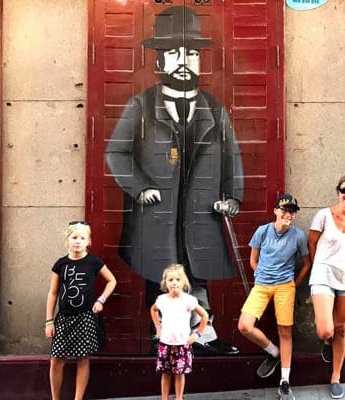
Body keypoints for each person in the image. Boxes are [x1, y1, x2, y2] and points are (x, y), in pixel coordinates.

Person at [105, 5, 243, 355]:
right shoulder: (140, 106)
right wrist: (140, 188)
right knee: (162, 273)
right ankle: (160, 337)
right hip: (157, 213)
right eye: (174, 52)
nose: (184, 60)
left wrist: (232, 198)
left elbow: (231, 159)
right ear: (158, 62)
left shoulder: (215, 110)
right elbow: (116, 153)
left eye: (192, 53)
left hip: (200, 210)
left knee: (196, 274)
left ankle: (204, 337)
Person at [237, 194, 311, 400]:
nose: (288, 214)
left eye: (292, 211)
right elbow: (253, 259)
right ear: (276, 211)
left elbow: (306, 263)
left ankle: (285, 382)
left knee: (284, 330)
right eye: (285, 209)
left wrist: (294, 284)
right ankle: (274, 352)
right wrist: (259, 274)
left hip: (285, 286)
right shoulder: (262, 231)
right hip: (261, 285)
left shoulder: (298, 236)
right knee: (244, 326)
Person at [45, 221, 117, 400]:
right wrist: (49, 321)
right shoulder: (60, 265)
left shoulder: (93, 262)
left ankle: (78, 398)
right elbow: (53, 293)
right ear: (67, 240)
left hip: (85, 318)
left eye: (82, 238)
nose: (77, 241)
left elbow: (112, 281)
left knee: (83, 358)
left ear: (88, 241)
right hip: (64, 318)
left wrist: (101, 300)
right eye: (74, 237)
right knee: (56, 359)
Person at [309, 175, 345, 399]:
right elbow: (311, 242)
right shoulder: (323, 215)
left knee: (342, 328)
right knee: (326, 329)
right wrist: (317, 266)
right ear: (337, 192)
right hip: (322, 274)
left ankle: (336, 377)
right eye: (344, 190)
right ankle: (326, 341)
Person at [150, 264, 208, 400]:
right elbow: (153, 310)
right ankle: (164, 398)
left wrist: (197, 334)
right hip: (165, 343)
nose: (174, 282)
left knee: (179, 373)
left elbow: (204, 315)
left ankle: (179, 398)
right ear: (165, 283)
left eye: (177, 279)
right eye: (170, 280)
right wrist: (158, 327)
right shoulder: (162, 300)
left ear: (183, 282)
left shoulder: (188, 300)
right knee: (165, 373)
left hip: (182, 344)